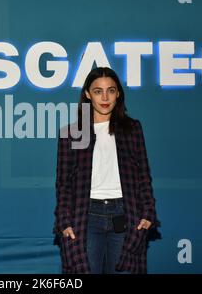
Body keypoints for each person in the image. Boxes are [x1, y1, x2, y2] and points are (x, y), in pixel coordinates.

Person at [53, 67, 160, 274]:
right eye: (97, 91)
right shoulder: (73, 133)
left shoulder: (132, 129)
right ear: (87, 94)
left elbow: (143, 176)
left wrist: (148, 211)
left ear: (118, 94)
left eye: (110, 90)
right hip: (85, 217)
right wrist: (64, 221)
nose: (104, 97)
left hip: (125, 215)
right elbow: (64, 183)